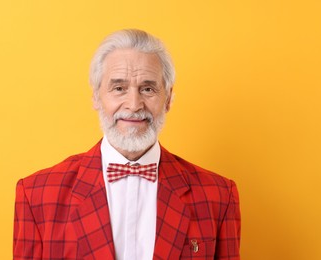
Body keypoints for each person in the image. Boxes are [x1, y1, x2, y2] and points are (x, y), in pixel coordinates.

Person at [13, 29, 241, 260]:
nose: (134, 105)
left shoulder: (218, 195)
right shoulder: (36, 195)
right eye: (119, 88)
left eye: (148, 89)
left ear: (169, 98)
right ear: (96, 96)